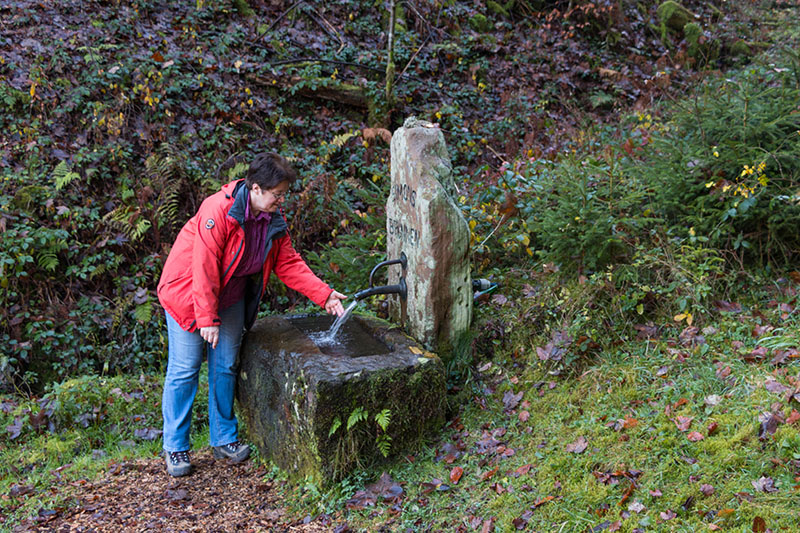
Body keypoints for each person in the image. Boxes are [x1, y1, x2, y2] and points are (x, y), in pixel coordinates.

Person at [156, 152, 346, 477]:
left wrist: (324, 294)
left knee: (226, 365)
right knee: (185, 370)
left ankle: (223, 439)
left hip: (230, 296)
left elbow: (288, 263)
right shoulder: (219, 211)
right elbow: (203, 267)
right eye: (277, 194)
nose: (281, 200)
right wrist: (206, 319)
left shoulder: (272, 218)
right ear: (256, 188)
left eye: (283, 194)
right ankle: (175, 447)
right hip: (189, 295)